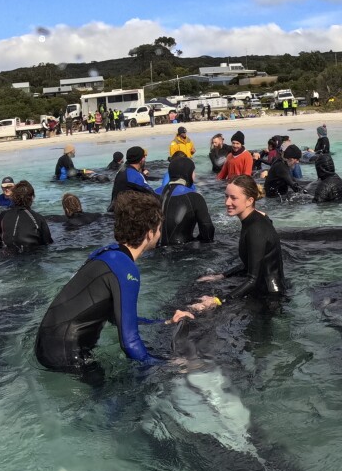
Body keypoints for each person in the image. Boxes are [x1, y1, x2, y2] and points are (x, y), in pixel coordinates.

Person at [34, 191, 192, 377]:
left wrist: (165, 322)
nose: (159, 234)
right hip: (65, 355)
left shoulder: (107, 253)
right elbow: (130, 344)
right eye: (159, 229)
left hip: (47, 345)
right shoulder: (125, 269)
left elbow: (117, 319)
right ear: (149, 233)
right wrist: (171, 366)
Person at [189, 176, 286, 310]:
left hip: (269, 298)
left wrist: (219, 301)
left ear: (249, 201)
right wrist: (222, 276)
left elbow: (253, 279)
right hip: (264, 289)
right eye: (226, 196)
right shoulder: (255, 219)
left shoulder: (255, 230)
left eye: (233, 198)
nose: (227, 202)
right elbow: (253, 265)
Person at [160, 155, 216, 245]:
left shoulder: (152, 193)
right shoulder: (195, 197)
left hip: (154, 248)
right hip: (184, 249)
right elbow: (207, 229)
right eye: (193, 171)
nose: (195, 174)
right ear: (188, 173)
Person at [0, 180, 54, 253]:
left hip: (9, 255)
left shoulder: (3, 215)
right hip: (33, 255)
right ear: (32, 198)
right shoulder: (39, 218)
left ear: (13, 197)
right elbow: (47, 243)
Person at [110, 146, 156, 212]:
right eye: (144, 157)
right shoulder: (133, 175)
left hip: (116, 210)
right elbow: (152, 194)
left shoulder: (122, 170)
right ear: (141, 159)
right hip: (124, 214)